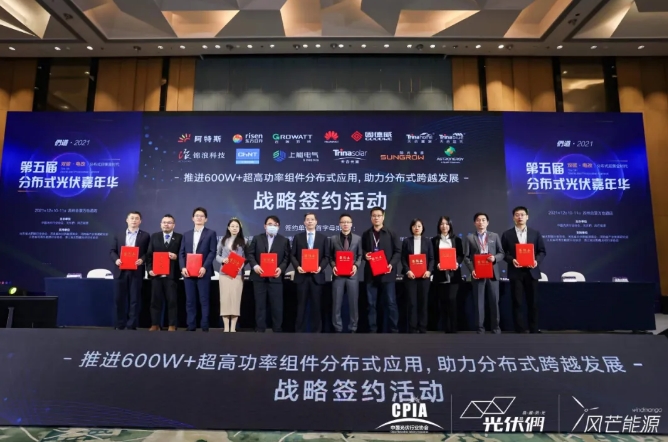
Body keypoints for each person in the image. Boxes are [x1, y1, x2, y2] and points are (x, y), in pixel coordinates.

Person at [501, 206, 547, 334]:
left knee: (533, 302)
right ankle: (520, 329)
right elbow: (503, 253)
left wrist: (536, 261)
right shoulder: (507, 234)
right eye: (517, 215)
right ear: (513, 217)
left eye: (522, 214)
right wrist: (512, 260)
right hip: (516, 272)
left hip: (532, 272)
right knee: (517, 301)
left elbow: (542, 251)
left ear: (527, 217)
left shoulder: (535, 233)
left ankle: (534, 328)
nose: (520, 217)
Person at [247, 215, 291, 332]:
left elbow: (287, 258)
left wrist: (281, 269)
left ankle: (277, 329)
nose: (272, 226)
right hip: (259, 277)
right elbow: (250, 254)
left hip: (275, 278)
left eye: (275, 225)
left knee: (277, 306)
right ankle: (260, 329)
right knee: (260, 305)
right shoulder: (257, 238)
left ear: (279, 227)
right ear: (265, 226)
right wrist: (255, 266)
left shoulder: (284, 240)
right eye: (270, 224)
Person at [464, 212, 505, 334]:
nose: (481, 222)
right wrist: (472, 270)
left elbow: (501, 253)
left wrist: (495, 258)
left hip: (492, 273)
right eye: (478, 220)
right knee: (478, 303)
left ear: (487, 222)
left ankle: (496, 327)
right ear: (474, 223)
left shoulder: (494, 236)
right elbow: (466, 257)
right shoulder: (470, 238)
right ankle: (480, 328)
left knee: (494, 302)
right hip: (478, 273)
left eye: (483, 220)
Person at [362, 207, 401, 333]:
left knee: (390, 303)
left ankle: (393, 330)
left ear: (383, 217)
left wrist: (391, 264)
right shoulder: (366, 234)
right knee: (371, 304)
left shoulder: (391, 233)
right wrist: (365, 255)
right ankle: (372, 330)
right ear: (371, 218)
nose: (376, 218)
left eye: (379, 215)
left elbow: (398, 251)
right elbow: (361, 250)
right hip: (371, 274)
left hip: (387, 273)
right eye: (374, 215)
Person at [179, 207, 217, 332]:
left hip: (203, 272)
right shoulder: (186, 234)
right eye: (197, 215)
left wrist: (204, 267)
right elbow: (181, 253)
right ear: (192, 218)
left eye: (202, 216)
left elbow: (212, 252)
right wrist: (183, 267)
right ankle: (191, 325)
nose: (199, 218)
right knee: (190, 300)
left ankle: (204, 326)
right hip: (188, 272)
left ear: (206, 219)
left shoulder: (211, 233)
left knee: (204, 300)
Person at [110, 211, 150, 330]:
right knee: (119, 299)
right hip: (120, 271)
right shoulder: (119, 234)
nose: (134, 220)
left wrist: (142, 260)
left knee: (134, 299)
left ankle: (132, 324)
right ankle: (119, 324)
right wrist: (116, 260)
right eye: (131, 218)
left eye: (136, 218)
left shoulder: (145, 236)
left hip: (136, 271)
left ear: (140, 221)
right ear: (127, 220)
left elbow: (148, 253)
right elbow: (112, 251)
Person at [291, 213, 329, 333]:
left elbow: (327, 257)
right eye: (307, 220)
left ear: (316, 222)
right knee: (300, 306)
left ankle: (316, 332)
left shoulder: (323, 238)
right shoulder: (298, 237)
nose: (310, 221)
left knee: (317, 306)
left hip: (317, 276)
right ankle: (299, 331)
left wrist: (320, 268)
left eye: (312, 219)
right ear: (304, 222)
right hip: (301, 276)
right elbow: (292, 255)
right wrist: (297, 267)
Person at [146, 214, 183, 331]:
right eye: (164, 222)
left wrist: (176, 257)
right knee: (155, 301)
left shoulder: (179, 237)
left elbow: (183, 255)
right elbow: (149, 256)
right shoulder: (154, 236)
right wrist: (149, 270)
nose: (166, 224)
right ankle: (155, 324)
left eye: (169, 222)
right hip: (156, 275)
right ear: (161, 224)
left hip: (171, 275)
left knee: (172, 301)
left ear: (174, 225)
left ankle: (172, 324)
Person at [330, 213, 363, 333]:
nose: (345, 224)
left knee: (353, 303)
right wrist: (333, 266)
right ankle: (337, 328)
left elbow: (360, 255)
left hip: (352, 275)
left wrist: (356, 265)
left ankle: (353, 327)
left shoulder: (357, 238)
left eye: (348, 222)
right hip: (338, 275)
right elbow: (330, 256)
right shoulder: (333, 239)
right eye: (343, 222)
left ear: (351, 224)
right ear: (339, 224)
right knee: (336, 303)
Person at [431, 216, 464, 333]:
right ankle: (446, 327)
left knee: (452, 300)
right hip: (440, 275)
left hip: (453, 275)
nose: (444, 226)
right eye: (442, 224)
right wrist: (437, 265)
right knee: (443, 301)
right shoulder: (434, 241)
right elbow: (432, 257)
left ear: (450, 226)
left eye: (446, 224)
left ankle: (454, 327)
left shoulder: (457, 240)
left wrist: (457, 263)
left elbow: (461, 255)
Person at [401, 218, 434, 333]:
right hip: (411, 277)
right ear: (411, 228)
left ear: (422, 228)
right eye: (414, 226)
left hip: (424, 277)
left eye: (419, 226)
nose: (417, 228)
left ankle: (422, 327)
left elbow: (431, 259)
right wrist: (407, 271)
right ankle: (412, 327)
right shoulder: (406, 241)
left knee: (423, 302)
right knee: (412, 303)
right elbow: (403, 259)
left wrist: (429, 271)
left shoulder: (428, 241)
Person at [216, 218, 247, 333]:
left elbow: (246, 257)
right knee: (225, 300)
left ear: (240, 228)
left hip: (237, 275)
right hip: (224, 274)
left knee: (235, 300)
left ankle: (233, 328)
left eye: (237, 226)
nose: (234, 228)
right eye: (232, 226)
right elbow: (217, 255)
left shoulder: (244, 241)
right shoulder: (223, 240)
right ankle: (226, 327)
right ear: (228, 228)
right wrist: (222, 260)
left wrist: (242, 264)